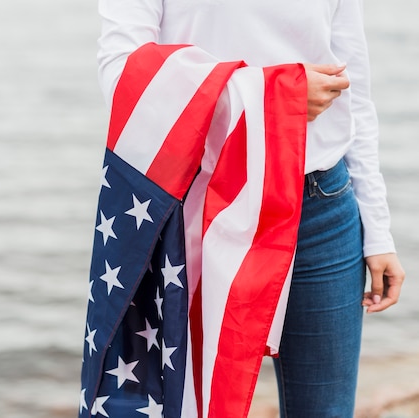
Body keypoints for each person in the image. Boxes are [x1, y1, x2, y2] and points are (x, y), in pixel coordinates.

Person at [94, 0, 406, 416]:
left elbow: (355, 97)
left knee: (326, 411)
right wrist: (274, 94)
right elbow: (121, 75)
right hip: (202, 208)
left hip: (320, 209)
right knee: (193, 406)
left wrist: (377, 229)